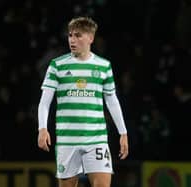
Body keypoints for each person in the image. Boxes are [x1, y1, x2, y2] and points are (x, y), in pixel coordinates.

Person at [37, 16, 129, 187]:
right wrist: (42, 128)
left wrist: (122, 132)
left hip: (97, 138)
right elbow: (44, 102)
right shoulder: (57, 65)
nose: (72, 40)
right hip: (67, 139)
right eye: (70, 35)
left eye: (78, 36)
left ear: (91, 38)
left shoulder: (103, 66)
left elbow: (112, 100)